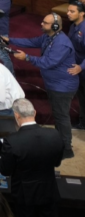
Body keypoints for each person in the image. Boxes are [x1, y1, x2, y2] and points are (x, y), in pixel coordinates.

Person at [9, 13, 78, 158]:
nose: (41, 24)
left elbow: (48, 62)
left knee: (61, 116)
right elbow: (32, 41)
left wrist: (27, 57)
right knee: (59, 115)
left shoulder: (61, 43)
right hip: (54, 84)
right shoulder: (48, 36)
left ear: (55, 26)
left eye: (45, 23)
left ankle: (66, 149)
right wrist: (9, 40)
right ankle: (60, 143)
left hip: (62, 87)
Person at [0, 99, 63, 217]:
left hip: (24, 195)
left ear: (16, 115)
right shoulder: (54, 135)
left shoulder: (12, 141)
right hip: (48, 190)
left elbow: (5, 170)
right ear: (34, 112)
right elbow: (56, 162)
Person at [67, 1, 85, 130]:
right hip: (77, 66)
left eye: (72, 11)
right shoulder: (73, 26)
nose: (68, 13)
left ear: (82, 13)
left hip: (82, 67)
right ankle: (83, 121)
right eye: (68, 10)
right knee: (82, 96)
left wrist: (81, 67)